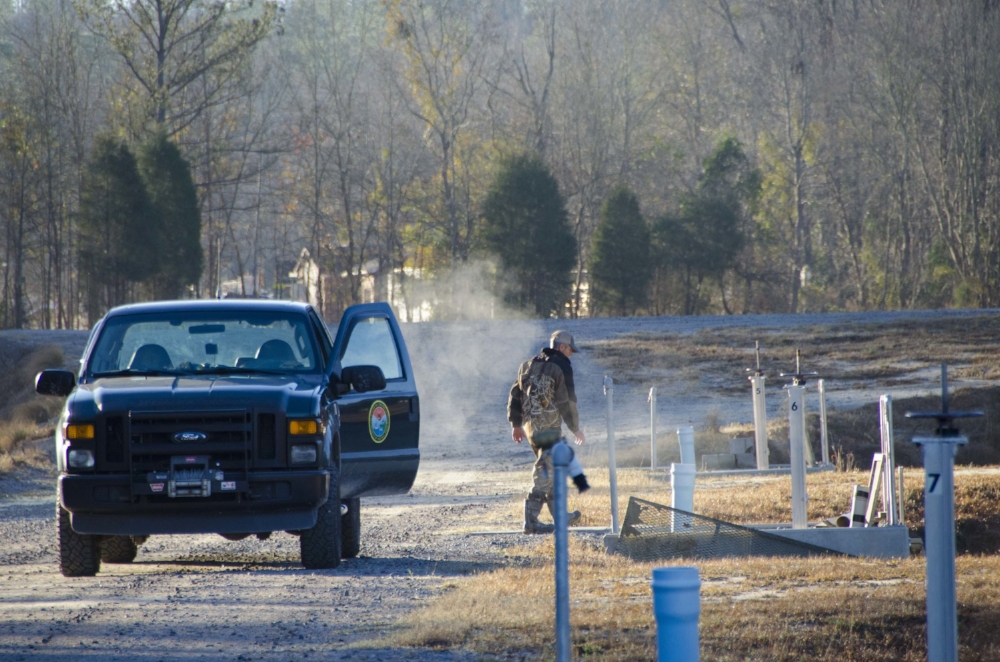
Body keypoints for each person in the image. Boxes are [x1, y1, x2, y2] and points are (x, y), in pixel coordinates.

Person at [508, 330, 587, 534]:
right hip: (549, 427)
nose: (570, 354)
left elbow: (515, 394)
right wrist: (575, 428)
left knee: (552, 469)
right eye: (570, 350)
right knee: (546, 470)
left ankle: (560, 516)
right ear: (561, 347)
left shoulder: (527, 365)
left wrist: (516, 424)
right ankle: (530, 521)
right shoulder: (561, 366)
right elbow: (567, 401)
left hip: (530, 428)